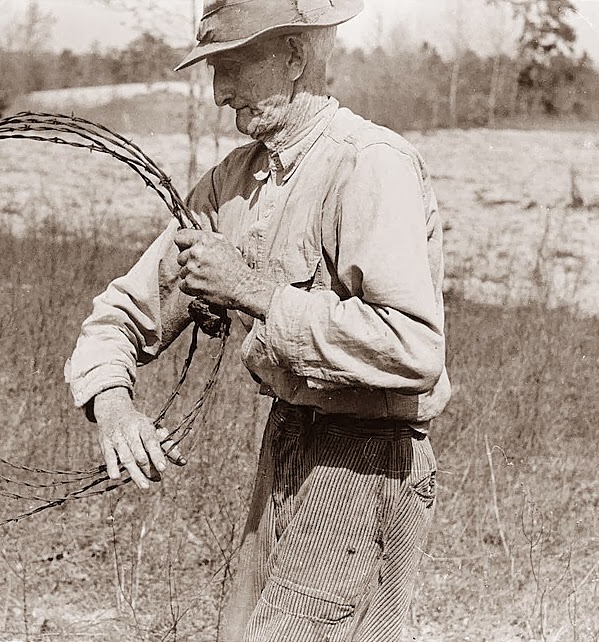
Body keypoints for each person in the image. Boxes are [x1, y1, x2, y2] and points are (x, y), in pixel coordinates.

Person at [65, 0, 451, 639]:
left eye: (234, 65)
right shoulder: (232, 183)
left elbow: (413, 346)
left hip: (368, 460)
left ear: (297, 56)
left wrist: (253, 292)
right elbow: (126, 312)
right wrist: (112, 403)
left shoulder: (368, 164)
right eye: (213, 70)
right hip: (288, 444)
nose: (220, 92)